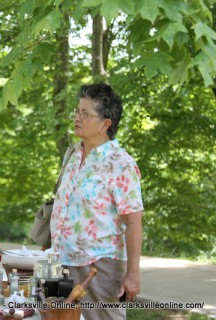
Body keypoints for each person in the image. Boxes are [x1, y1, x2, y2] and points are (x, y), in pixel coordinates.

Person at [50, 84, 143, 319]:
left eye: (85, 114)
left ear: (105, 124)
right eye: (77, 111)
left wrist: (133, 274)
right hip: (62, 263)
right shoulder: (72, 154)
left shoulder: (120, 164)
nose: (77, 118)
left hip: (99, 267)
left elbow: (133, 223)